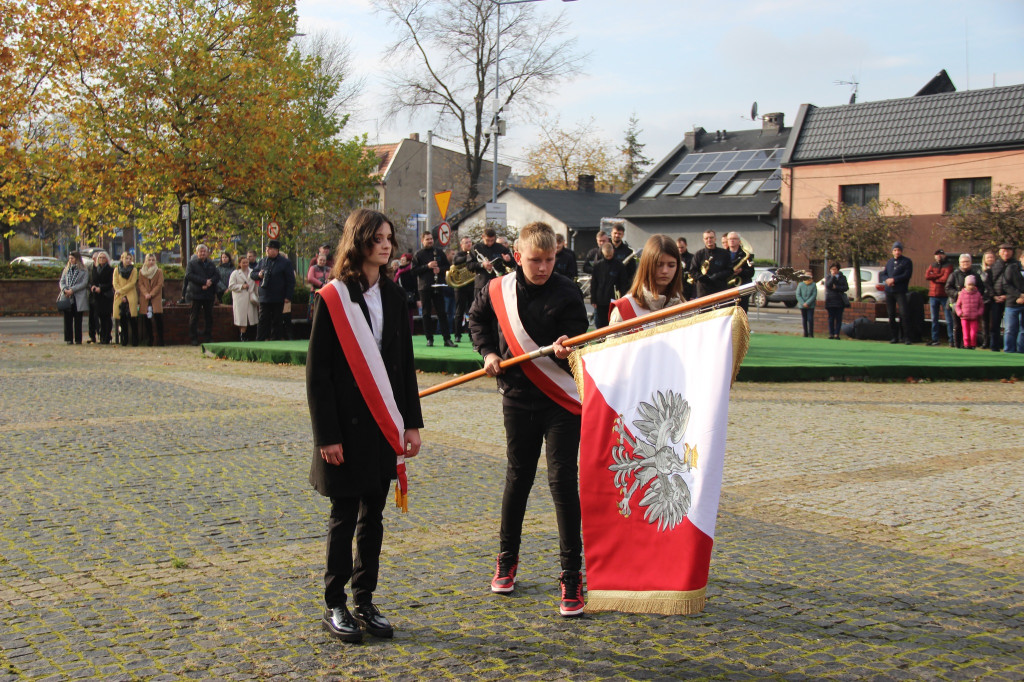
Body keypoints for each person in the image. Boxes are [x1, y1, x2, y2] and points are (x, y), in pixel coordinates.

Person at [306, 208, 423, 643]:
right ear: (359, 242)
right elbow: (317, 376)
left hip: (381, 424)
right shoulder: (332, 297)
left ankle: (365, 599)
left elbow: (404, 368)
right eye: (377, 238)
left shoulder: (394, 297)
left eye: (389, 237)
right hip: (345, 427)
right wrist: (327, 436)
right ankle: (334, 603)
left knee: (373, 515)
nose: (386, 245)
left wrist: (411, 425)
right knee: (343, 514)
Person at [467, 221, 589, 617]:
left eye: (549, 259)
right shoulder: (496, 289)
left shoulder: (568, 290)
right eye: (535, 260)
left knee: (561, 482)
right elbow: (477, 320)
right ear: (518, 256)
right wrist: (487, 353)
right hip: (517, 398)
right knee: (518, 477)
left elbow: (581, 335)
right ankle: (507, 558)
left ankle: (572, 575)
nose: (542, 268)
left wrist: (566, 347)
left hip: (560, 402)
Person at [608, 234, 683, 324]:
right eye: (659, 265)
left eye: (671, 265)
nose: (665, 271)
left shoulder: (685, 308)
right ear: (646, 265)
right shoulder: (625, 309)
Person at [411, 231, 456, 347]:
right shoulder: (418, 254)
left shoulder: (439, 252)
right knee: (426, 313)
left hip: (438, 286)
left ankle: (447, 339)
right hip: (424, 287)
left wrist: (439, 270)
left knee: (442, 313)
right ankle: (429, 339)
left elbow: (447, 266)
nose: (430, 241)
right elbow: (413, 271)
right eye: (427, 239)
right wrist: (427, 266)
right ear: (422, 241)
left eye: (431, 239)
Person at [250, 239, 295, 341]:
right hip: (264, 295)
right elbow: (252, 274)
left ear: (277, 250)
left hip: (278, 296)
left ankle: (276, 340)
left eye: (271, 249)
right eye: (267, 249)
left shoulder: (285, 263)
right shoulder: (262, 261)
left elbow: (290, 281)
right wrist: (259, 275)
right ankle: (260, 340)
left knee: (277, 320)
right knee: (263, 319)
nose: (268, 251)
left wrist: (288, 296)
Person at [186, 244, 220, 345]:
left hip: (208, 294)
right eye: (200, 252)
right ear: (197, 253)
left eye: (204, 251)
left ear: (207, 253)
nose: (202, 253)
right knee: (194, 317)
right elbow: (189, 275)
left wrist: (209, 282)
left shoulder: (211, 263)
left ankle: (208, 337)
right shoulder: (192, 264)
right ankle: (193, 338)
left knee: (209, 317)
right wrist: (203, 282)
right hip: (196, 293)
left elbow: (217, 275)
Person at [589, 243, 627, 329]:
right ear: (603, 253)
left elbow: (623, 283)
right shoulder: (598, 266)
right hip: (600, 300)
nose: (609, 257)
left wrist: (622, 298)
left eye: (610, 255)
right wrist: (593, 299)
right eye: (607, 256)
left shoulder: (619, 266)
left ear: (613, 251)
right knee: (600, 324)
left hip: (613, 299)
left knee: (613, 323)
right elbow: (594, 283)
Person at [882, 241, 913, 344]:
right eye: (895, 250)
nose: (897, 252)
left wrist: (894, 280)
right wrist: (887, 280)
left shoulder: (906, 261)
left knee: (904, 314)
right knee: (891, 314)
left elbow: (906, 275)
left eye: (898, 250)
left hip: (900, 291)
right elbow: (884, 274)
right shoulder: (889, 262)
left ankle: (906, 337)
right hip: (889, 291)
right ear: (892, 252)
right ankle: (894, 337)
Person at [988, 244, 1016, 351]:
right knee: (994, 324)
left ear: (1012, 252)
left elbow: (1017, 284)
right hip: (996, 300)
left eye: (1008, 251)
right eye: (1003, 251)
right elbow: (988, 283)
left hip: (1012, 300)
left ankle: (1011, 348)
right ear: (999, 252)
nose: (1006, 253)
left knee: (1011, 326)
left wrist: (1008, 295)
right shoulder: (994, 265)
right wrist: (994, 296)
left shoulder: (1016, 265)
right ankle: (994, 347)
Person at [468, 227, 513, 294]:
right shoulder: (476, 248)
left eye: (492, 240)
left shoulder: (500, 248)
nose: (490, 243)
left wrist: (509, 260)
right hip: (482, 284)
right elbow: (469, 265)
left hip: (498, 283)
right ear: (483, 237)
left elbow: (513, 264)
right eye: (487, 240)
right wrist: (482, 264)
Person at [944, 253, 975, 349]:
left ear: (971, 262)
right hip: (957, 304)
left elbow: (981, 288)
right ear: (959, 263)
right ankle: (957, 345)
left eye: (967, 261)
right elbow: (948, 288)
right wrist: (957, 294)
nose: (965, 263)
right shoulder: (954, 275)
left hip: (971, 306)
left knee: (971, 327)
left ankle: (969, 345)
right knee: (957, 326)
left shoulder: (975, 275)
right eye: (963, 262)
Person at [996, 250, 1024, 353]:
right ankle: (1009, 351)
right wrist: (1020, 295)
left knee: (1023, 330)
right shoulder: (1011, 268)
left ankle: (1021, 352)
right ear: (1021, 258)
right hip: (1012, 303)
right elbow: (1006, 285)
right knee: (1010, 329)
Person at [689, 229, 731, 298]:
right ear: (703, 240)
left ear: (715, 239)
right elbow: (692, 271)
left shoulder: (724, 254)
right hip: (703, 291)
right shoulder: (698, 254)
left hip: (720, 290)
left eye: (711, 237)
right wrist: (704, 278)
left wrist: (717, 276)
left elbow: (730, 270)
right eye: (706, 238)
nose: (709, 240)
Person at [58, 251, 89, 345]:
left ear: (77, 259)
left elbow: (84, 283)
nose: (70, 260)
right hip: (67, 296)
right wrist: (65, 289)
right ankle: (68, 338)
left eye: (72, 258)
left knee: (78, 319)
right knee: (67, 319)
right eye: (69, 258)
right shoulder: (67, 269)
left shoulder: (84, 270)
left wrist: (73, 289)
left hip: (78, 296)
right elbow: (62, 281)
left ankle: (78, 339)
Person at [450, 236, 477, 343]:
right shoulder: (459, 254)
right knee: (459, 311)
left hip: (472, 285)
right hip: (460, 287)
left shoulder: (474, 253)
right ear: (461, 245)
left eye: (470, 242)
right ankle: (457, 335)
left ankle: (472, 335)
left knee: (472, 311)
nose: (469, 244)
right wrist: (469, 256)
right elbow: (456, 261)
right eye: (466, 242)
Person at [924, 249, 953, 346]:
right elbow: (927, 276)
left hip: (945, 296)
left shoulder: (948, 265)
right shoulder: (932, 265)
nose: (939, 256)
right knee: (934, 319)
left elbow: (945, 278)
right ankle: (935, 339)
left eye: (941, 254)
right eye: (937, 254)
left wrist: (934, 276)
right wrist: (939, 275)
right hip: (933, 295)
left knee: (949, 319)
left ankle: (951, 339)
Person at [228, 256, 259, 341]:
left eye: (247, 262)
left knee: (251, 319)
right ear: (239, 264)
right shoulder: (235, 273)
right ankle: (242, 336)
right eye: (243, 263)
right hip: (240, 299)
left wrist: (257, 296)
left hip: (250, 298)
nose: (245, 264)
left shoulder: (252, 272)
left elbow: (256, 285)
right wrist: (241, 286)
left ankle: (251, 336)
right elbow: (231, 286)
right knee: (242, 319)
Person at [137, 254, 165, 346]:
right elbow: (140, 284)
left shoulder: (159, 271)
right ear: (146, 261)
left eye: (153, 260)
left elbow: (160, 284)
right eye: (149, 260)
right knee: (146, 320)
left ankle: (160, 340)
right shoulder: (141, 272)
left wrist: (151, 294)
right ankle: (150, 339)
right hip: (145, 298)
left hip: (155, 297)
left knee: (158, 319)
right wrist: (146, 294)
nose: (151, 262)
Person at [112, 252, 140, 346]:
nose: (128, 260)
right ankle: (124, 340)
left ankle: (135, 340)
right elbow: (115, 283)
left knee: (132, 318)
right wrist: (120, 293)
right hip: (120, 296)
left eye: (130, 258)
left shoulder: (134, 270)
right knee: (122, 319)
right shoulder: (116, 270)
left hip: (130, 295)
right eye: (126, 258)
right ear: (122, 259)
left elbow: (132, 283)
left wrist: (122, 291)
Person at [87, 251, 114, 344]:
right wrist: (93, 286)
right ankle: (101, 335)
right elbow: (92, 280)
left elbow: (111, 283)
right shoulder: (95, 269)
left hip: (106, 296)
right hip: (97, 297)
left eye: (103, 258)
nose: (101, 259)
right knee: (99, 317)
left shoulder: (110, 270)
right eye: (100, 258)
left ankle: (107, 336)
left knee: (106, 317)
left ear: (107, 259)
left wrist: (101, 288)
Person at [724, 232, 755, 311]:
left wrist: (741, 271)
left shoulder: (746, 255)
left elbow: (751, 272)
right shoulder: (722, 254)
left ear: (739, 241)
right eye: (730, 239)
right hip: (727, 290)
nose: (732, 241)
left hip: (741, 290)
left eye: (734, 239)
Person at [954, 275, 984, 350]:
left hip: (974, 317)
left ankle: (973, 345)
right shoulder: (962, 294)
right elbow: (957, 305)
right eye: (969, 284)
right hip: (964, 317)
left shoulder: (978, 294)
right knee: (966, 333)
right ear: (965, 285)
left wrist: (979, 313)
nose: (971, 286)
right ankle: (966, 344)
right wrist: (960, 313)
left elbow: (981, 305)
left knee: (973, 333)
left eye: (972, 285)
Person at [393, 252, 418, 334]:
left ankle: (410, 332)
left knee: (409, 315)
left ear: (408, 262)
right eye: (401, 259)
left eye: (404, 260)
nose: (402, 261)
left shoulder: (411, 271)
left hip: (408, 296)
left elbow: (415, 285)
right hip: (399, 296)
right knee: (399, 315)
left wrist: (417, 298)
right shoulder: (398, 271)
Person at [824, 263, 849, 340]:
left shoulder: (842, 277)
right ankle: (831, 333)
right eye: (832, 269)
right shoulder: (828, 277)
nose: (833, 271)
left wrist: (837, 287)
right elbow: (828, 285)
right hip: (830, 300)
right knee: (831, 318)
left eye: (835, 269)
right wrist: (833, 277)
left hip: (839, 300)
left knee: (839, 318)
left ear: (838, 270)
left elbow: (846, 287)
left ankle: (837, 334)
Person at [307, 253, 332, 321]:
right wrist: (321, 284)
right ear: (317, 260)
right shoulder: (313, 268)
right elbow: (310, 278)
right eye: (321, 260)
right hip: (315, 291)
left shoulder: (329, 269)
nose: (322, 262)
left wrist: (328, 283)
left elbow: (332, 277)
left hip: (326, 292)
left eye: (324, 260)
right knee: (314, 310)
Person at [796, 273, 817, 337]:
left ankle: (811, 333)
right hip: (802, 306)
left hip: (811, 305)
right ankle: (805, 333)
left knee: (810, 319)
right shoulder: (800, 284)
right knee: (804, 319)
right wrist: (803, 303)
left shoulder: (813, 284)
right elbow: (798, 294)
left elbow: (814, 295)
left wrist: (808, 303)